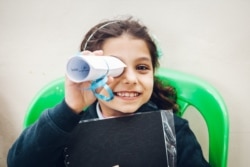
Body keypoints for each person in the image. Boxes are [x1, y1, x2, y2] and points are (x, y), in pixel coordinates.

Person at [7, 16, 210, 167]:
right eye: (115, 68)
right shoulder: (67, 128)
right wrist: (69, 109)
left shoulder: (174, 130)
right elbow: (19, 163)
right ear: (90, 72)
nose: (131, 79)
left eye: (142, 68)